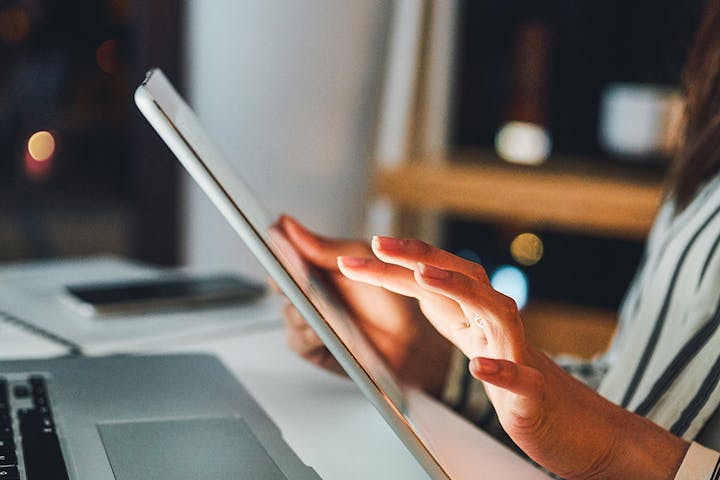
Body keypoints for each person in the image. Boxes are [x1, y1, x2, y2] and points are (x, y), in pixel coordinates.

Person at [278, 1, 720, 478]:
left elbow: (621, 440)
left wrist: (619, 453)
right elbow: (625, 395)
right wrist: (431, 356)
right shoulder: (706, 162)